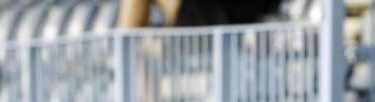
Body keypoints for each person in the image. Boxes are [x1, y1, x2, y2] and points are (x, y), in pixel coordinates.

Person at [118, 0, 279, 28]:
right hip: (214, 14)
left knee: (141, 44)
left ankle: (118, 58)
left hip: (225, 18)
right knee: (145, 44)